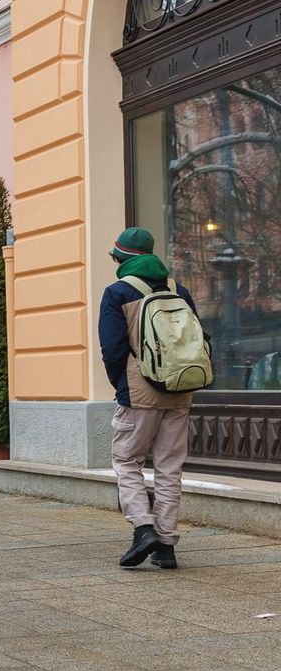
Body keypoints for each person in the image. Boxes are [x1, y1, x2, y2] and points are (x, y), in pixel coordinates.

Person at [99, 227, 199, 569]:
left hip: (139, 393)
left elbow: (112, 349)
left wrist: (123, 387)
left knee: (127, 461)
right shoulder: (178, 289)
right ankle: (167, 546)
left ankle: (143, 529)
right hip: (180, 388)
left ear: (122, 259)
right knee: (170, 468)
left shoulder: (117, 292)